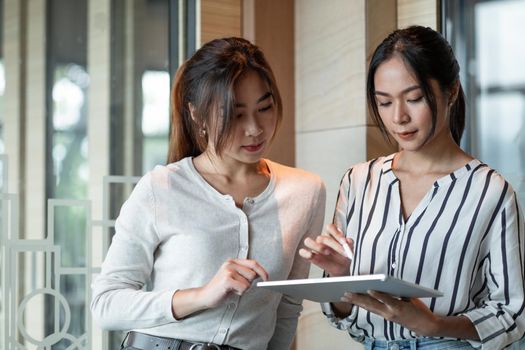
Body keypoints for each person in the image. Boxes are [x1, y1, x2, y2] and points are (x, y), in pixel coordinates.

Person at [91, 37, 326, 350]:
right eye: (236, 114)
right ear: (197, 115)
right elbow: (106, 305)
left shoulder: (305, 191)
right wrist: (202, 295)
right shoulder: (161, 188)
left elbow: (287, 307)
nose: (255, 128)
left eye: (265, 108)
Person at [300, 25, 525, 349]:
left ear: (451, 91)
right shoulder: (359, 181)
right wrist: (341, 278)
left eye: (414, 98)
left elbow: (512, 315)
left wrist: (434, 324)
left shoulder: (490, 192)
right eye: (384, 102)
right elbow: (343, 315)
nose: (399, 118)